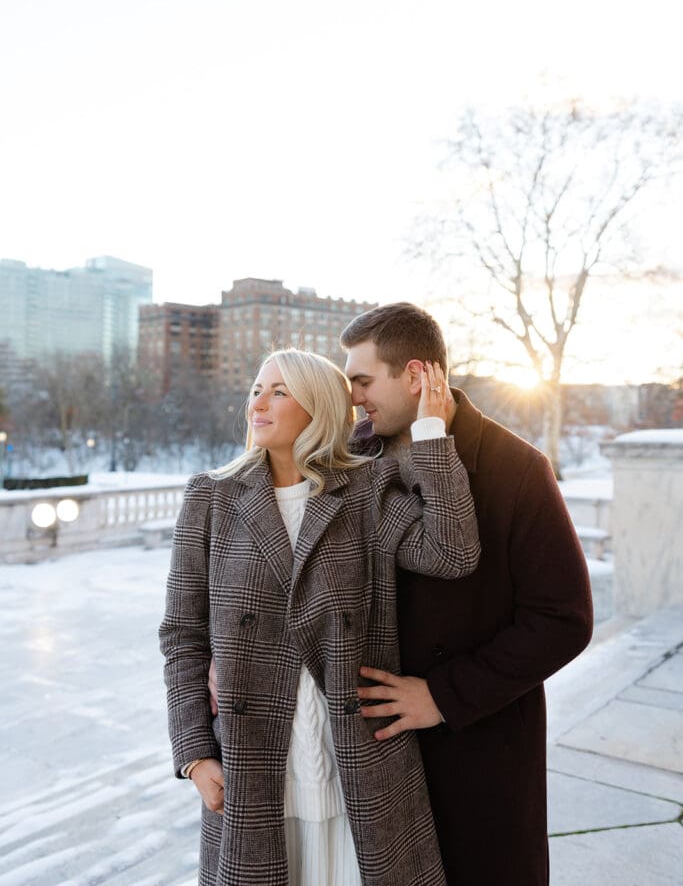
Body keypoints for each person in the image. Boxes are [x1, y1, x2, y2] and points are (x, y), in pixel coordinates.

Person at [159, 347, 480, 886]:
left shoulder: (368, 492)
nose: (257, 403)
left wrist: (430, 436)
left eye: (279, 392)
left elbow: (453, 553)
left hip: (360, 766)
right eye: (256, 389)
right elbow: (182, 636)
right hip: (252, 767)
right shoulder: (211, 498)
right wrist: (193, 751)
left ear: (320, 407)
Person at [338, 302, 594, 886]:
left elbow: (564, 618)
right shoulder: (351, 457)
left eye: (363, 379)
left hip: (478, 753)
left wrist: (444, 696)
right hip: (372, 751)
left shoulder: (516, 468)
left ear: (417, 376)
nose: (354, 396)